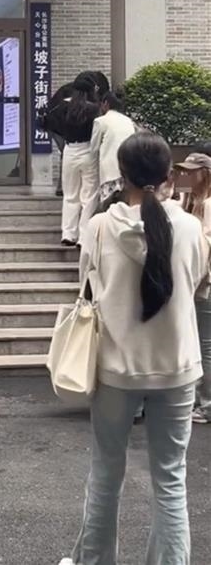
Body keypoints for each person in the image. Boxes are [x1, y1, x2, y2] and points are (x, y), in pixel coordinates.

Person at [58, 133, 209, 565]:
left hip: (116, 369)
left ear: (121, 175)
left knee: (106, 474)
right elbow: (197, 284)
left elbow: (87, 286)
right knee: (170, 481)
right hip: (177, 367)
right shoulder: (189, 227)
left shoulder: (99, 227)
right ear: (167, 176)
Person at [176, 152, 211, 425]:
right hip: (196, 283)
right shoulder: (189, 202)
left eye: (190, 171)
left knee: (206, 346)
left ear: (205, 174)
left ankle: (207, 404)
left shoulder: (208, 204)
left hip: (205, 284)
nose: (184, 175)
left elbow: (205, 244)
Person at [56, 72, 102, 247]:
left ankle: (68, 233)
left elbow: (57, 127)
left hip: (69, 150)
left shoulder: (63, 107)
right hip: (88, 151)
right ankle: (84, 236)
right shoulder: (94, 109)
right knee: (89, 196)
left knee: (70, 194)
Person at [90, 90, 136, 205]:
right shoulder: (128, 121)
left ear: (106, 103)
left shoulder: (100, 121)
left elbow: (94, 148)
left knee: (108, 204)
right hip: (127, 170)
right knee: (125, 203)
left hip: (109, 171)